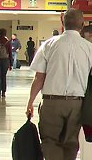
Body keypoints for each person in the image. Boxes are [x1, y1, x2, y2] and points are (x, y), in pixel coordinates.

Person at [26, 9, 92, 160]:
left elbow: (39, 77)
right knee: (71, 143)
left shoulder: (49, 45)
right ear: (82, 25)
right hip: (77, 104)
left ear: (62, 22)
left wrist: (30, 102)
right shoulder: (89, 48)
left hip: (51, 102)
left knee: (50, 141)